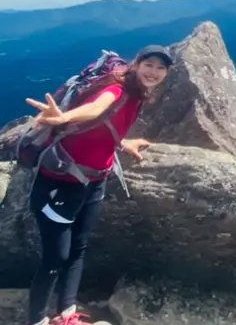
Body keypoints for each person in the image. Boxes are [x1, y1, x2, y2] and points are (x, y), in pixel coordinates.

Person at [23, 45, 173, 325]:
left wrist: (122, 142)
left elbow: (106, 123)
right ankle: (37, 320)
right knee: (55, 258)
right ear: (137, 63)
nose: (154, 72)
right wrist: (65, 117)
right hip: (60, 183)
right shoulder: (118, 88)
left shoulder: (138, 93)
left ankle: (66, 314)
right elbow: (97, 108)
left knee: (79, 248)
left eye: (161, 68)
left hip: (94, 180)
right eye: (149, 64)